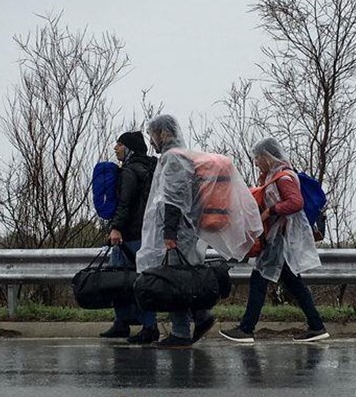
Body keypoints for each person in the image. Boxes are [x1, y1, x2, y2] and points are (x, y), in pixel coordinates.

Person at [135, 114, 261, 349]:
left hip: (179, 233)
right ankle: (202, 316)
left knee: (175, 280)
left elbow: (173, 199)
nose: (152, 140)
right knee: (185, 278)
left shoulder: (173, 159)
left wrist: (169, 234)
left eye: (153, 134)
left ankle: (181, 332)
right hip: (189, 232)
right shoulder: (185, 157)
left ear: (163, 133)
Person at [219, 137, 329, 343]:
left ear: (268, 156)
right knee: (293, 284)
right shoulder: (274, 176)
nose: (256, 162)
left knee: (259, 281)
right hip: (278, 239)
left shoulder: (283, 178)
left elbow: (296, 203)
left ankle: (246, 329)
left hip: (280, 240)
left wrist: (270, 211)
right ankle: (317, 326)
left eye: (258, 157)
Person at [99, 131, 160, 344]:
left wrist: (116, 228)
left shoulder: (129, 172)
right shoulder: (153, 169)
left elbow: (125, 203)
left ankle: (136, 324)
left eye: (119, 144)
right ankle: (136, 324)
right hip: (149, 233)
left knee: (120, 279)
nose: (115, 148)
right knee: (145, 280)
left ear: (129, 148)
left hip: (130, 235)